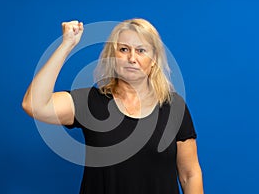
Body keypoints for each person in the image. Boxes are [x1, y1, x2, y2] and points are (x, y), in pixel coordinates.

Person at [22, 18, 204, 194]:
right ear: (112, 56)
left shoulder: (173, 106)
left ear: (154, 59)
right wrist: (66, 45)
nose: (132, 58)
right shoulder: (90, 101)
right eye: (124, 49)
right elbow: (34, 105)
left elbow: (190, 175)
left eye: (141, 51)